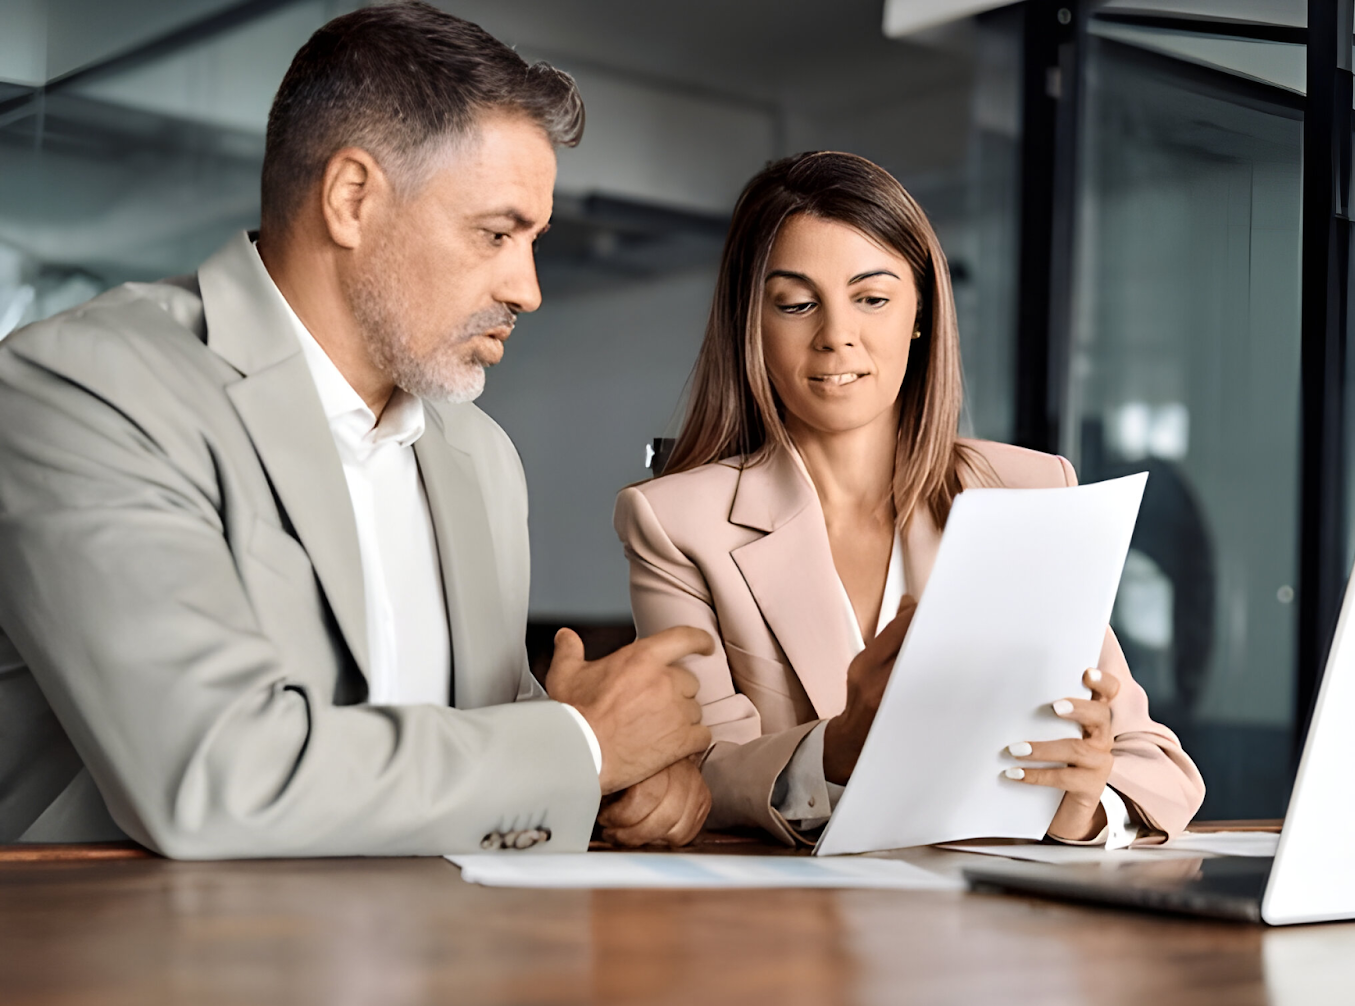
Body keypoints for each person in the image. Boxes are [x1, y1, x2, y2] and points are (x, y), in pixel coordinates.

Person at [0, 3, 715, 856]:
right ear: (351, 199)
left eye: (534, 241)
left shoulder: (481, 459)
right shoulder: (86, 389)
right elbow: (215, 775)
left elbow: (486, 746)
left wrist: (621, 779)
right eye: (496, 233)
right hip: (142, 970)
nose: (527, 289)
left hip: (440, 958)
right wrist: (584, 748)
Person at [610, 152, 1204, 847]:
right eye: (797, 304)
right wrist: (835, 749)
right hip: (793, 932)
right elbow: (697, 770)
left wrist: (1084, 802)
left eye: (873, 297)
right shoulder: (676, 523)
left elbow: (1159, 768)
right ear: (753, 324)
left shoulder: (1028, 492)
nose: (837, 336)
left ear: (919, 311)